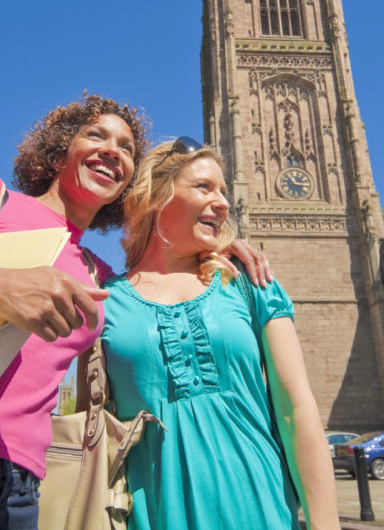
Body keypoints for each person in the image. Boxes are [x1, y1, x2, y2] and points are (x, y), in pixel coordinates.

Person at [0, 95, 272, 529]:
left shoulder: (100, 278)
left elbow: (158, 286)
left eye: (127, 148)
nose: (112, 151)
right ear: (60, 149)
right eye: (97, 135)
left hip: (22, 489)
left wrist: (213, 245)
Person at [100, 137, 339, 530]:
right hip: (156, 516)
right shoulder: (105, 299)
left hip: (262, 510)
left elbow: (297, 409)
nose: (223, 202)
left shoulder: (250, 282)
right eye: (204, 187)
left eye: (224, 190)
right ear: (156, 195)